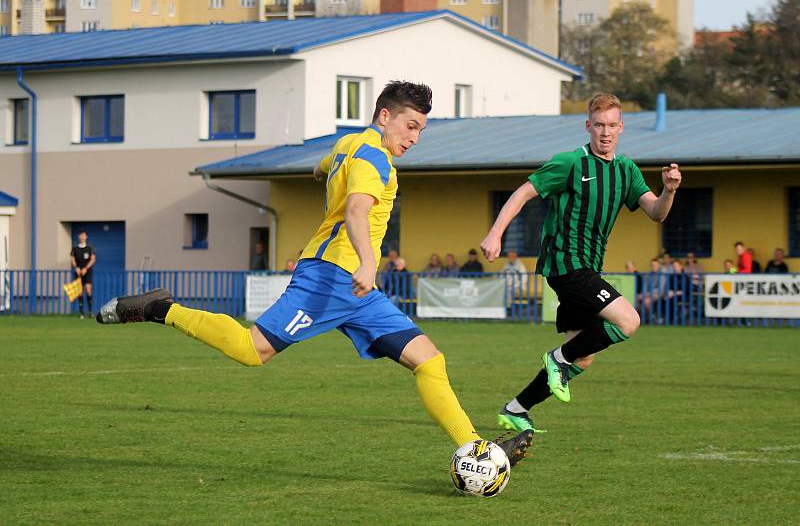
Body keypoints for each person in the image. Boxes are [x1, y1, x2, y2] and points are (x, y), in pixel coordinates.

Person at [96, 81, 532, 464]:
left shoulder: (350, 144)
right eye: (411, 125)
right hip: (333, 276)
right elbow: (359, 210)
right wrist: (366, 260)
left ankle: (473, 449)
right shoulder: (375, 160)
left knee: (430, 361)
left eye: (421, 129)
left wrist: (321, 172)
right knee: (253, 351)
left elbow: (324, 164)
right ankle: (161, 309)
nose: (415, 138)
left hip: (356, 289)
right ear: (385, 116)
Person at [481, 92, 681, 433]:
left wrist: (669, 191)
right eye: (599, 125)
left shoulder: (626, 171)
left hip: (589, 268)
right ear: (588, 126)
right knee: (628, 321)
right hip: (566, 264)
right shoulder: (571, 162)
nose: (605, 132)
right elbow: (523, 193)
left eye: (612, 125)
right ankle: (556, 359)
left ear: (621, 128)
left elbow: (656, 214)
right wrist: (496, 232)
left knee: (583, 356)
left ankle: (517, 407)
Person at [70, 231, 96, 319]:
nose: (82, 237)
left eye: (84, 235)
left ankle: (90, 311)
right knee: (80, 292)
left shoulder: (90, 248)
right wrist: (76, 267)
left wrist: (86, 268)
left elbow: (93, 259)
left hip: (87, 272)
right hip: (78, 272)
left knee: (88, 290)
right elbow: (73, 260)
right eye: (81, 235)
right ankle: (81, 313)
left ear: (86, 237)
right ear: (79, 237)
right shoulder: (75, 249)